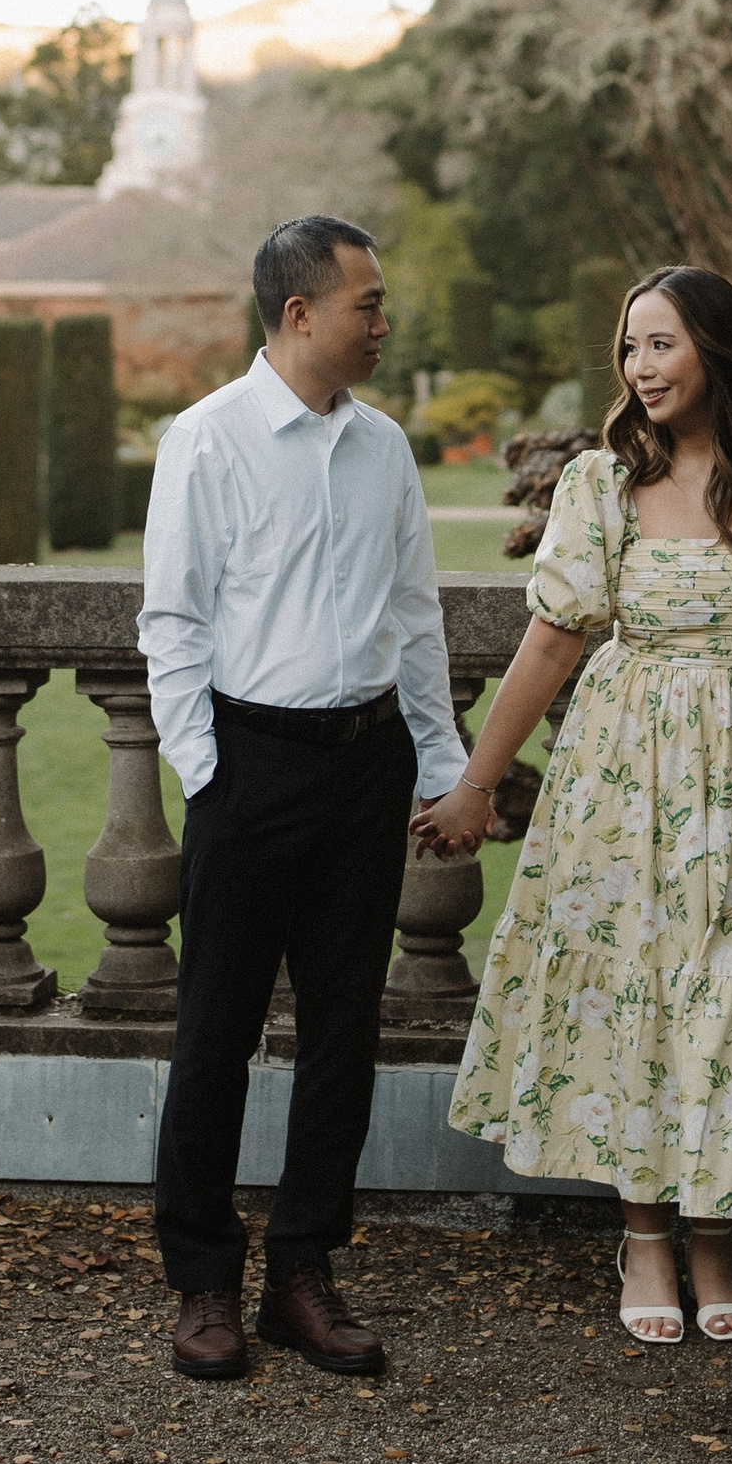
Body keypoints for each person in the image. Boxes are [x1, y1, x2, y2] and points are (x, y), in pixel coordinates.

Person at [422, 264, 732, 1345]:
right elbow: (550, 640)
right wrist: (477, 786)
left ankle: (715, 1238)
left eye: (660, 344)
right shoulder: (601, 484)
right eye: (629, 348)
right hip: (627, 781)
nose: (638, 366)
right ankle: (642, 1237)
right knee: (637, 1001)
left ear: (716, 351)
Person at [140, 212, 470, 1383]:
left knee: (344, 1033)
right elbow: (171, 621)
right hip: (252, 764)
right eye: (367, 305)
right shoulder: (208, 440)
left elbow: (417, 616)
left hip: (365, 762)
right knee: (214, 1034)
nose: (383, 322)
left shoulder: (384, 448)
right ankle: (201, 1287)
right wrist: (209, 769)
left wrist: (441, 764)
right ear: (298, 315)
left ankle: (302, 1275)